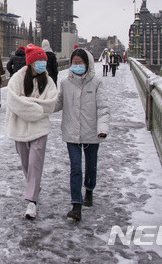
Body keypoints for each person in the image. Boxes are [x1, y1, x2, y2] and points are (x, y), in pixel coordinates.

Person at [55, 48, 110, 221]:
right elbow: (57, 103)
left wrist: (102, 128)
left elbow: (103, 107)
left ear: (87, 63)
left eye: (80, 63)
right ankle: (76, 205)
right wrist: (38, 107)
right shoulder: (65, 82)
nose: (76, 66)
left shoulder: (97, 82)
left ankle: (90, 189)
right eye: (74, 63)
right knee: (76, 168)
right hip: (72, 132)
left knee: (91, 166)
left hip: (92, 131)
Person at [5, 44, 58, 220]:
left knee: (35, 163)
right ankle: (34, 186)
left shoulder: (48, 81)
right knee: (26, 163)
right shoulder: (17, 79)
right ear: (31, 62)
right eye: (40, 60)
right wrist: (35, 106)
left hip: (39, 128)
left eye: (44, 60)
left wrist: (26, 103)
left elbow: (51, 103)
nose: (43, 63)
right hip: (19, 127)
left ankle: (31, 201)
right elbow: (13, 101)